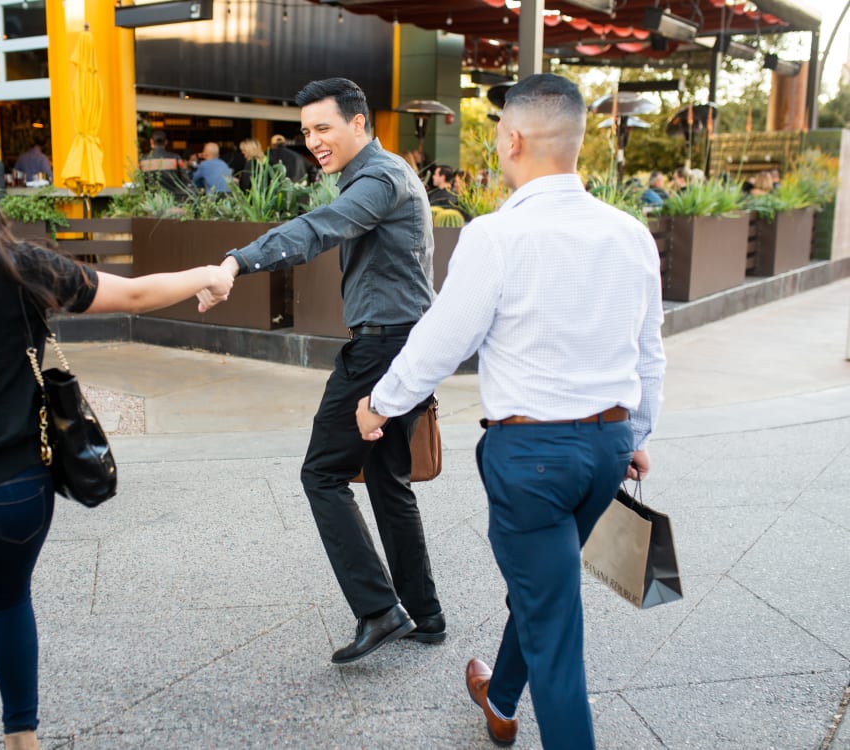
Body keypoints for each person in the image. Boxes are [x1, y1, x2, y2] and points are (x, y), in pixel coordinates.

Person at [0, 118, 233, 750]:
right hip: (15, 493)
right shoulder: (19, 265)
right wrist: (209, 275)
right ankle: (23, 740)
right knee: (8, 604)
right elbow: (134, 294)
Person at [355, 73, 665, 749]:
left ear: (514, 138)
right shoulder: (631, 234)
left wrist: (379, 404)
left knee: (556, 631)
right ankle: (498, 700)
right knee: (545, 584)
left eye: (498, 131)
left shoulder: (496, 237)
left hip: (531, 460)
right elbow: (648, 352)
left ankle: (523, 709)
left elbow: (440, 341)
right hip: (608, 448)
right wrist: (637, 432)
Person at [198, 77, 444, 664]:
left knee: (322, 474)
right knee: (387, 480)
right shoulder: (378, 175)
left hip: (382, 350)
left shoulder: (379, 179)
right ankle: (425, 615)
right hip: (401, 345)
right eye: (306, 131)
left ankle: (381, 610)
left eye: (323, 128)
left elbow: (318, 228)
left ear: (359, 123)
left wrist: (235, 261)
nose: (313, 141)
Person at [139, 129, 190, 199]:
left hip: (151, 202)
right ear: (166, 142)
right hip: (173, 201)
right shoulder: (176, 159)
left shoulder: (143, 161)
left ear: (151, 141)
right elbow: (186, 180)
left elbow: (139, 183)